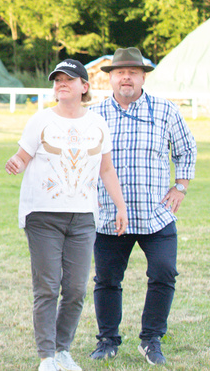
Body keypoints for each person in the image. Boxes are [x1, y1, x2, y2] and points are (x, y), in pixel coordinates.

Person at [5, 59, 127, 371]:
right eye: (57, 79)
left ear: (84, 87)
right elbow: (22, 155)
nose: (61, 83)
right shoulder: (40, 120)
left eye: (69, 79)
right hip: (43, 215)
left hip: (84, 217)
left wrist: (121, 206)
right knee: (47, 286)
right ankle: (47, 357)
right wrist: (16, 164)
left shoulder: (98, 124)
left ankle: (62, 350)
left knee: (75, 289)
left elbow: (107, 169)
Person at [88, 47, 197, 365]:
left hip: (156, 215)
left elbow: (186, 149)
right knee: (107, 279)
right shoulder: (95, 115)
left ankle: (151, 339)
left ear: (143, 76)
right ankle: (107, 339)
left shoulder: (165, 111)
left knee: (164, 273)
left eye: (132, 72)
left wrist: (181, 186)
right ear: (110, 78)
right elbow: (79, 158)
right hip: (109, 217)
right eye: (120, 72)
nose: (126, 77)